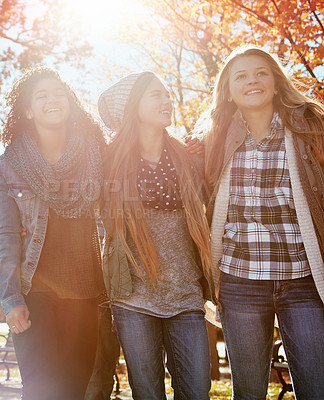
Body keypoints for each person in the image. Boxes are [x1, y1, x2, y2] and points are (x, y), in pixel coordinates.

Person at [199, 45, 324, 399]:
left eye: (260, 73)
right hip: (240, 281)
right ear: (228, 89)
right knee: (249, 392)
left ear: (275, 81)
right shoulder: (213, 140)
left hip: (302, 280)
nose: (251, 80)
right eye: (241, 75)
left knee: (317, 389)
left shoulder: (310, 128)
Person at [98, 71, 214, 400]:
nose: (167, 101)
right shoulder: (110, 161)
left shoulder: (188, 156)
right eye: (155, 95)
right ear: (134, 106)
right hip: (133, 296)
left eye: (167, 94)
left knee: (196, 392)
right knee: (147, 392)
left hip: (185, 294)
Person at [0, 66, 107, 400]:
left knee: (74, 390)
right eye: (41, 95)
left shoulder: (97, 154)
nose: (52, 99)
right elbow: (5, 234)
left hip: (87, 294)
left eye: (59, 93)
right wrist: (11, 299)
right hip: (36, 293)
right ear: (28, 110)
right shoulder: (11, 163)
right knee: (40, 390)